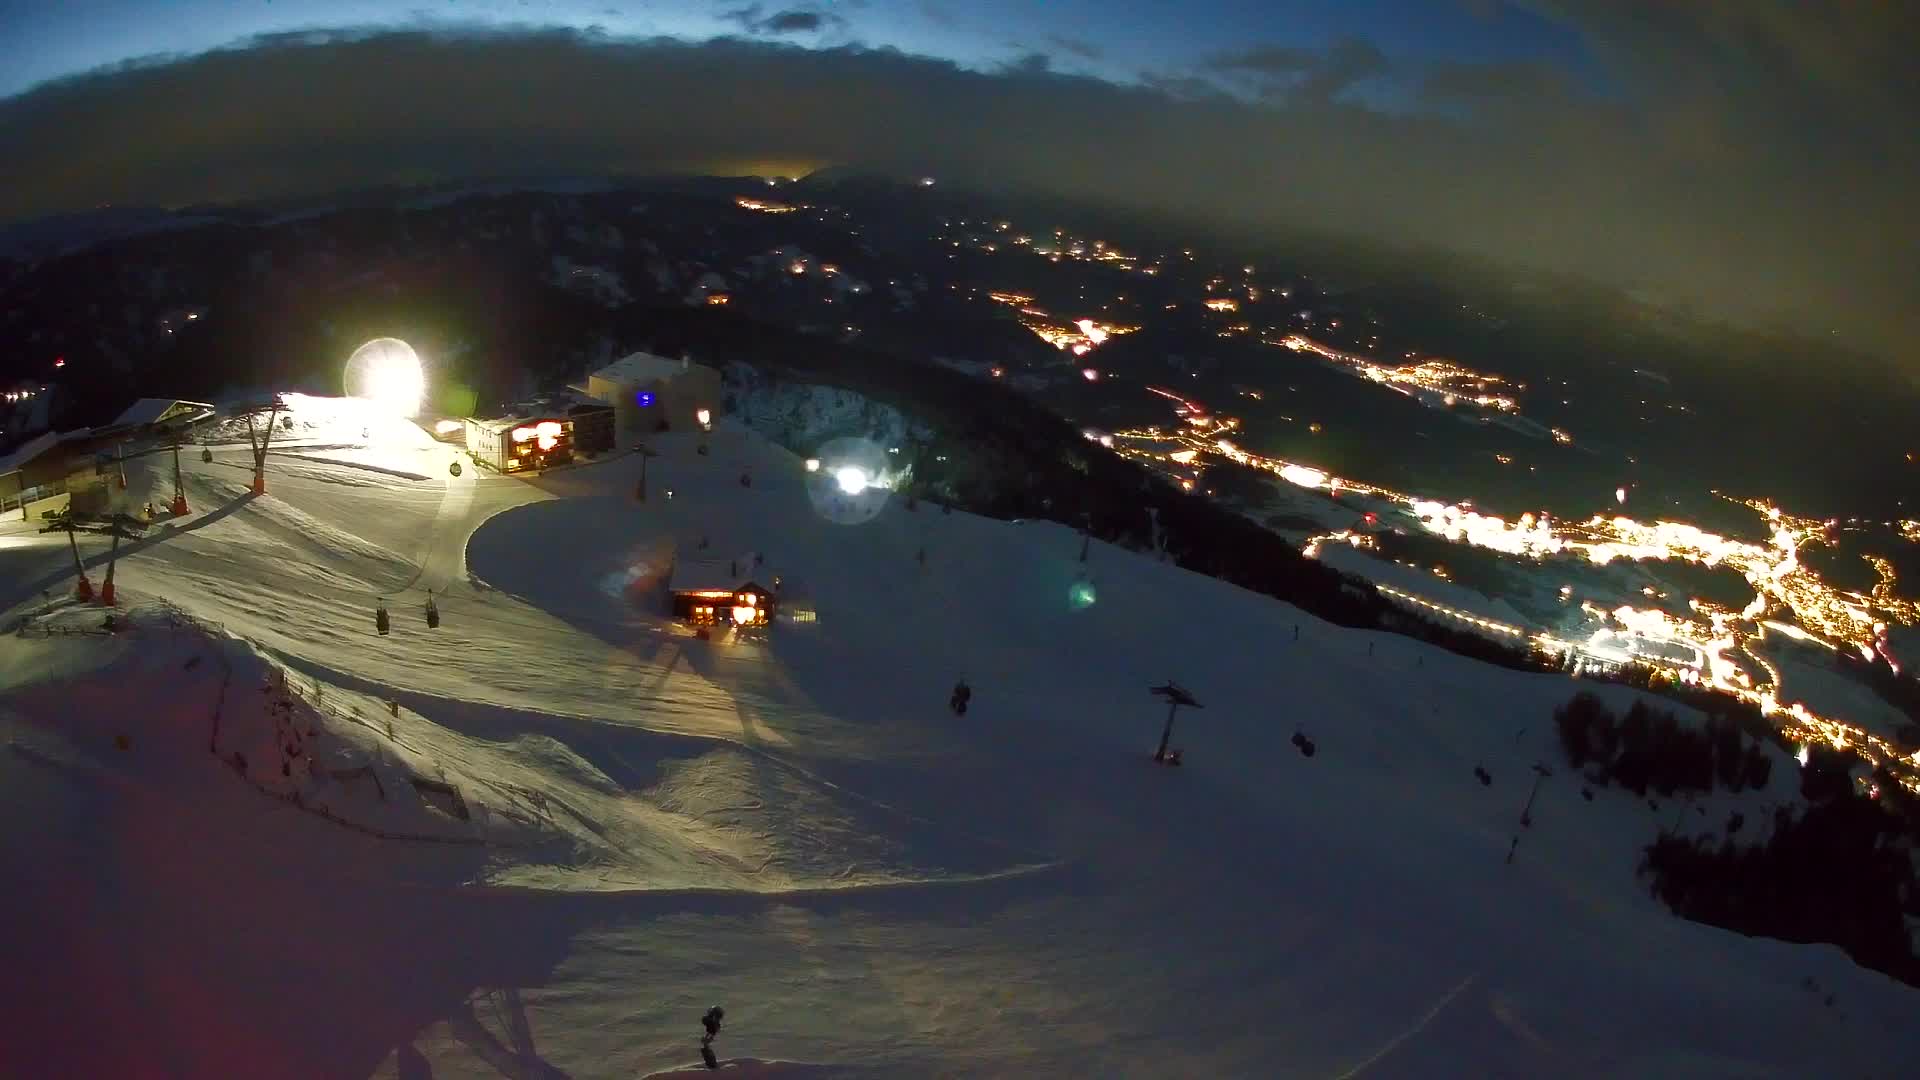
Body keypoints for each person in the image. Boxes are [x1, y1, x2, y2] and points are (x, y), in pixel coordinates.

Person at [700, 1005, 724, 1069]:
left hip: (709, 1036)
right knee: (706, 1048)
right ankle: (711, 1064)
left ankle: (712, 1065)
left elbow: (713, 1031)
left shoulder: (713, 1023)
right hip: (709, 1036)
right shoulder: (711, 1022)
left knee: (706, 1048)